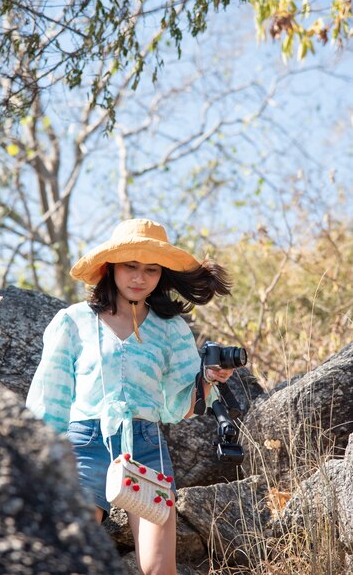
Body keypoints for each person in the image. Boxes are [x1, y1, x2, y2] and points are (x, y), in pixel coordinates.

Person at [26, 218, 235, 575]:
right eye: (131, 266)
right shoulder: (73, 321)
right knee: (71, 559)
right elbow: (50, 398)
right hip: (83, 443)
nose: (139, 278)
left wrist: (209, 381)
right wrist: (39, 458)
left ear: (161, 275)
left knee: (158, 569)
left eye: (151, 270)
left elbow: (177, 408)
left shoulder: (171, 329)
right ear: (110, 268)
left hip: (147, 444)